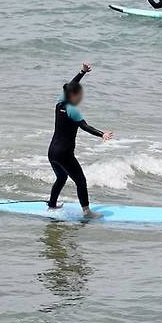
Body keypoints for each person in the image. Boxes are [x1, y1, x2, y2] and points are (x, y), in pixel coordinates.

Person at [47, 64, 113, 219]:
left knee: (61, 178)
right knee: (81, 181)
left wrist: (82, 72)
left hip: (52, 152)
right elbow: (85, 126)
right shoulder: (72, 110)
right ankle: (87, 212)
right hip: (64, 153)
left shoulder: (59, 104)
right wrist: (101, 134)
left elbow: (71, 85)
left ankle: (52, 204)